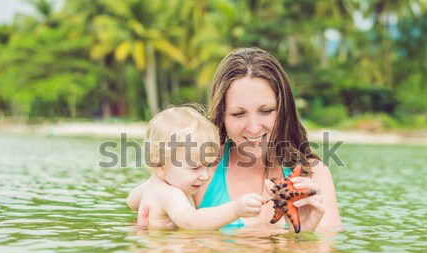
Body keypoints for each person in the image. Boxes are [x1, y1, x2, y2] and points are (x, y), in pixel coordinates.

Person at [128, 48, 342, 233]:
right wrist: (156, 186)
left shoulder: (313, 174)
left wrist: (302, 236)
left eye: (266, 111)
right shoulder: (202, 168)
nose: (254, 127)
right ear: (221, 115)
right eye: (238, 114)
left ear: (284, 110)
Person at [135, 105, 265, 230]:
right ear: (160, 166)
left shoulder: (154, 184)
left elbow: (131, 201)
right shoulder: (170, 193)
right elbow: (191, 221)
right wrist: (235, 209)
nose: (205, 176)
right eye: (195, 168)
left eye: (208, 165)